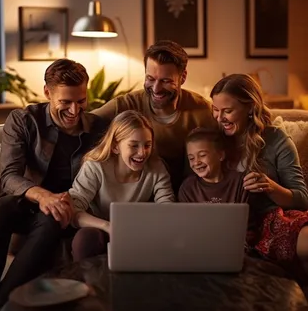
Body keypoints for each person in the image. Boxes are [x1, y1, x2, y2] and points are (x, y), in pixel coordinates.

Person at [0, 59, 107, 311]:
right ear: (47, 93)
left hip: (66, 209)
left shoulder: (98, 128)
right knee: (1, 208)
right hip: (27, 200)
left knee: (52, 217)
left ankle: (0, 305)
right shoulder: (24, 120)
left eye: (81, 101)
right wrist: (44, 196)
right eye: (65, 102)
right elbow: (9, 176)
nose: (75, 111)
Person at [210, 73, 308, 280]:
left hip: (271, 221)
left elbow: (302, 198)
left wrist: (270, 187)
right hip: (224, 223)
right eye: (215, 110)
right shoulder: (209, 139)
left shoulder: (276, 139)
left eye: (228, 111)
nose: (220, 118)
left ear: (250, 108)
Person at [91, 40, 216, 193]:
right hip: (138, 195)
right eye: (150, 79)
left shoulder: (203, 110)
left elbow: (232, 144)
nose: (156, 89)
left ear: (182, 77)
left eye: (165, 81)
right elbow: (83, 122)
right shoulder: (125, 104)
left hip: (187, 195)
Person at [69, 110, 175, 262]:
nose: (142, 153)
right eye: (134, 146)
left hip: (140, 232)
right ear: (115, 147)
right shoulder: (95, 167)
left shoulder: (156, 168)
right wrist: (108, 226)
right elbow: (74, 209)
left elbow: (167, 207)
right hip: (101, 230)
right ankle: (87, 284)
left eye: (147, 145)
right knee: (85, 238)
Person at [178, 127, 250, 204]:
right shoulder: (188, 188)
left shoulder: (240, 182)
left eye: (202, 155)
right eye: (191, 158)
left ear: (220, 155)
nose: (196, 163)